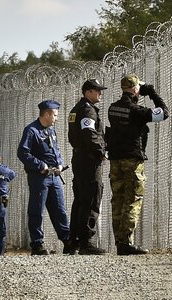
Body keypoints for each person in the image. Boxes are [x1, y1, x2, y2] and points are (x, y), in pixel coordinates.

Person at [106, 73, 168, 255]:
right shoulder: (137, 111)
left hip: (115, 160)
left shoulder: (112, 108)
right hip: (132, 161)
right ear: (134, 89)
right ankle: (126, 243)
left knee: (117, 200)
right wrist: (152, 93)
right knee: (133, 200)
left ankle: (120, 242)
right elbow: (164, 113)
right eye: (138, 88)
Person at [17, 99, 72, 255]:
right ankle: (37, 244)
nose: (56, 118)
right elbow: (22, 153)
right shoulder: (31, 131)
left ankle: (67, 241)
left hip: (54, 176)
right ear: (46, 114)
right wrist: (40, 165)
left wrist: (60, 164)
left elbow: (56, 151)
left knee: (59, 209)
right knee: (37, 210)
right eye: (54, 115)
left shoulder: (50, 130)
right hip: (39, 177)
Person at [67, 79, 108, 255]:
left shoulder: (77, 109)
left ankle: (74, 241)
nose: (100, 93)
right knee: (91, 198)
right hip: (88, 159)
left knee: (80, 199)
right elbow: (89, 133)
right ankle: (86, 242)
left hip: (80, 157)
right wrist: (100, 151)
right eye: (97, 90)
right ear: (87, 92)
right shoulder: (87, 110)